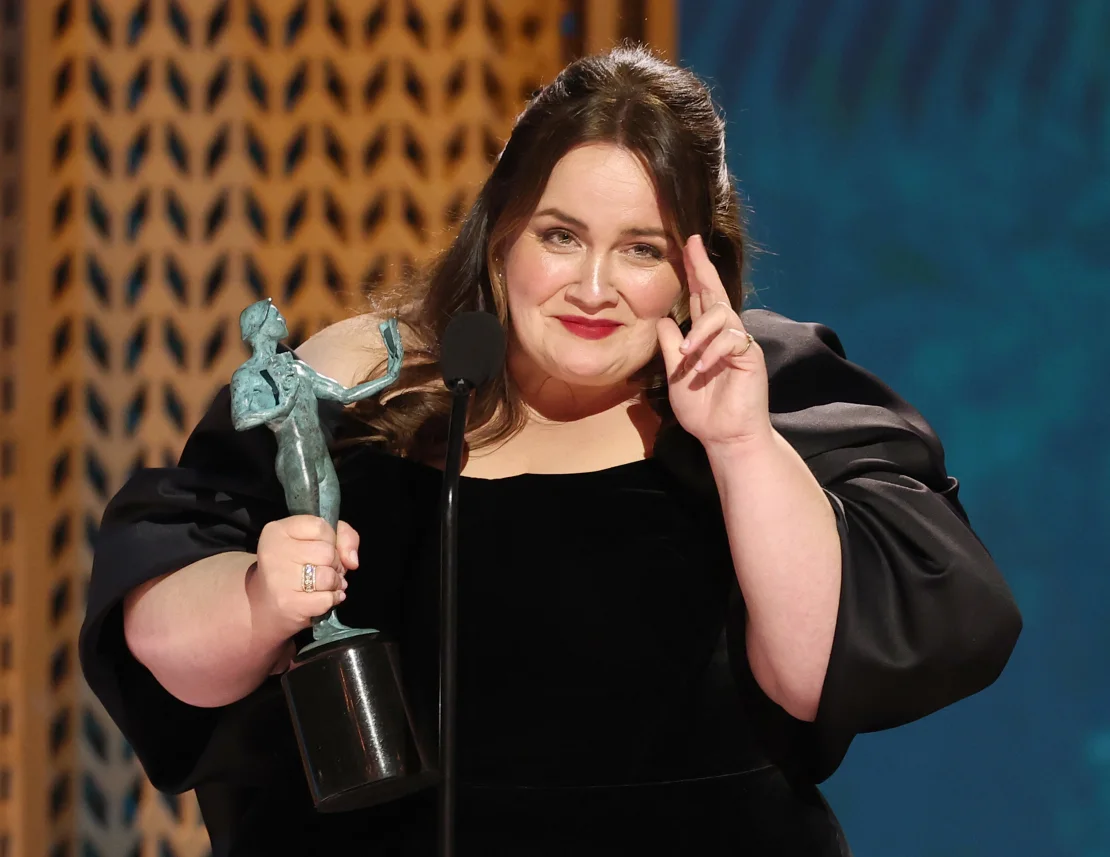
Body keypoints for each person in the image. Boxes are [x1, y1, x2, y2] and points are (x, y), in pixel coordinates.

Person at [79, 45, 1022, 856]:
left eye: (643, 249)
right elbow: (160, 636)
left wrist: (737, 441)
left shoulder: (769, 396)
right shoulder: (362, 383)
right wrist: (255, 601)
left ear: (700, 268)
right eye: (561, 236)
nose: (594, 286)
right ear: (500, 238)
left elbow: (817, 675)